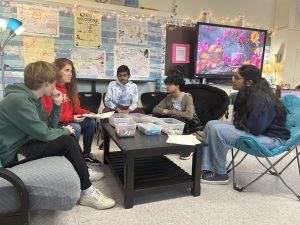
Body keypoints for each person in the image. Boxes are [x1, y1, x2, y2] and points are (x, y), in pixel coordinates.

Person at [0, 61, 115, 209]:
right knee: (67, 140)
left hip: (25, 143)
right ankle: (87, 193)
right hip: (13, 154)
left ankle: (84, 175)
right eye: (54, 82)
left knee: (69, 137)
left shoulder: (33, 99)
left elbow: (49, 127)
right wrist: (65, 130)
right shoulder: (18, 100)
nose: (56, 86)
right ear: (46, 83)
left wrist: (57, 104)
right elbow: (45, 134)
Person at [201, 64, 290, 184]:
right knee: (211, 124)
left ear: (249, 82)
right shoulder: (245, 93)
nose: (232, 80)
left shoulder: (260, 98)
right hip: (258, 132)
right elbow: (239, 120)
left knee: (218, 131)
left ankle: (220, 174)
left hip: (271, 139)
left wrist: (240, 123)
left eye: (237, 78)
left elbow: (255, 128)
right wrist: (240, 123)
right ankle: (207, 168)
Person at [42, 58, 101, 165]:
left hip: (69, 120)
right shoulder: (50, 88)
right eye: (67, 70)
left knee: (90, 123)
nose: (70, 74)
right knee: (76, 127)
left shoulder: (70, 88)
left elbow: (76, 109)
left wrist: (88, 113)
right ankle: (73, 159)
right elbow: (50, 115)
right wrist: (71, 118)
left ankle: (86, 155)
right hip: (56, 123)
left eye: (71, 71)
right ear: (57, 71)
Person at [153, 73, 201, 160]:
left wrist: (169, 111)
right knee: (159, 118)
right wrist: (163, 111)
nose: (167, 86)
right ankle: (164, 145)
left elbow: (189, 115)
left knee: (180, 120)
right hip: (175, 120)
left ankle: (186, 149)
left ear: (177, 86)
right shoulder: (168, 98)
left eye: (170, 84)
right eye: (166, 84)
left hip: (189, 121)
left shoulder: (187, 97)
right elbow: (155, 109)